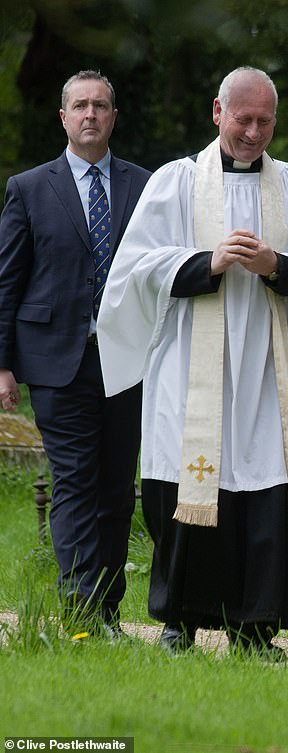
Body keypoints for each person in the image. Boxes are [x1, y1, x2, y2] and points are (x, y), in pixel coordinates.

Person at [97, 67, 288, 658]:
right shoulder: (175, 183)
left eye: (264, 121)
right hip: (190, 370)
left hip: (267, 371)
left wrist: (275, 264)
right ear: (217, 112)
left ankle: (254, 629)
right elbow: (133, 271)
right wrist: (205, 262)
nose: (253, 132)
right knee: (185, 490)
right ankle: (180, 622)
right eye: (243, 119)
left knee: (266, 494)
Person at [0, 70, 151, 635]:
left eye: (101, 106)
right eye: (80, 106)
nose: (91, 115)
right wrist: (3, 363)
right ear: (63, 117)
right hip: (56, 360)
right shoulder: (30, 188)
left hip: (127, 359)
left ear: (114, 116)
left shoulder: (145, 186)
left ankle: (107, 608)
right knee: (75, 482)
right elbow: (7, 282)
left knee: (116, 487)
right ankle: (83, 609)